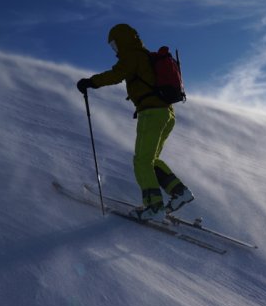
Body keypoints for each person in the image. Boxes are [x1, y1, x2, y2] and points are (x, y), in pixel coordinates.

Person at [77, 24, 193, 221]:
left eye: (115, 44)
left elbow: (116, 74)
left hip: (151, 114)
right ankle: (180, 193)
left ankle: (154, 207)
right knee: (152, 159)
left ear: (123, 40)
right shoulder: (144, 55)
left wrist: (90, 82)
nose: (115, 50)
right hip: (166, 114)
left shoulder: (133, 56)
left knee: (141, 161)